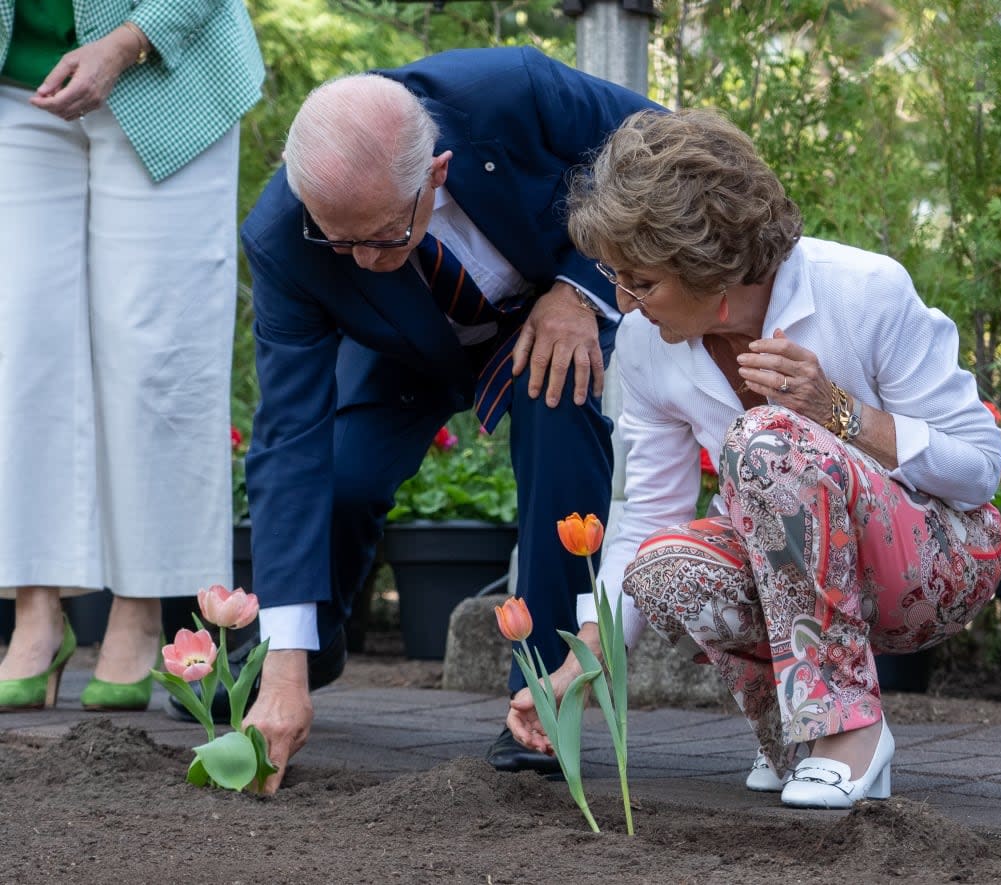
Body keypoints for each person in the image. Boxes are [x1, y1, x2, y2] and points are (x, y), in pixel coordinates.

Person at [509, 108, 1001, 809]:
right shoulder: (650, 345)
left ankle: (850, 731)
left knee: (765, 440)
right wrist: (580, 666)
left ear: (709, 266)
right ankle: (793, 736)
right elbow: (647, 512)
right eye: (613, 277)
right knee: (663, 562)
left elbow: (981, 469)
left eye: (642, 282)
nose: (623, 302)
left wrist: (838, 414)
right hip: (802, 574)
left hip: (940, 559)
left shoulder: (864, 290)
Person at [232, 46, 660, 792]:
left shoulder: (511, 91)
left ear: (437, 172)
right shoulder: (283, 238)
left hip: (547, 308)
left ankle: (543, 690)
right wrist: (285, 662)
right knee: (341, 476)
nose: (359, 258)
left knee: (556, 416)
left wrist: (581, 287)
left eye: (381, 236)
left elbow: (663, 146)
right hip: (401, 341)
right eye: (340, 241)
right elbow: (286, 440)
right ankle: (305, 652)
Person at [0, 3, 263, 710]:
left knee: (158, 351)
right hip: (13, 86)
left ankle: (141, 609)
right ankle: (34, 612)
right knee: (20, 351)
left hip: (163, 77)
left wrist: (126, 43)